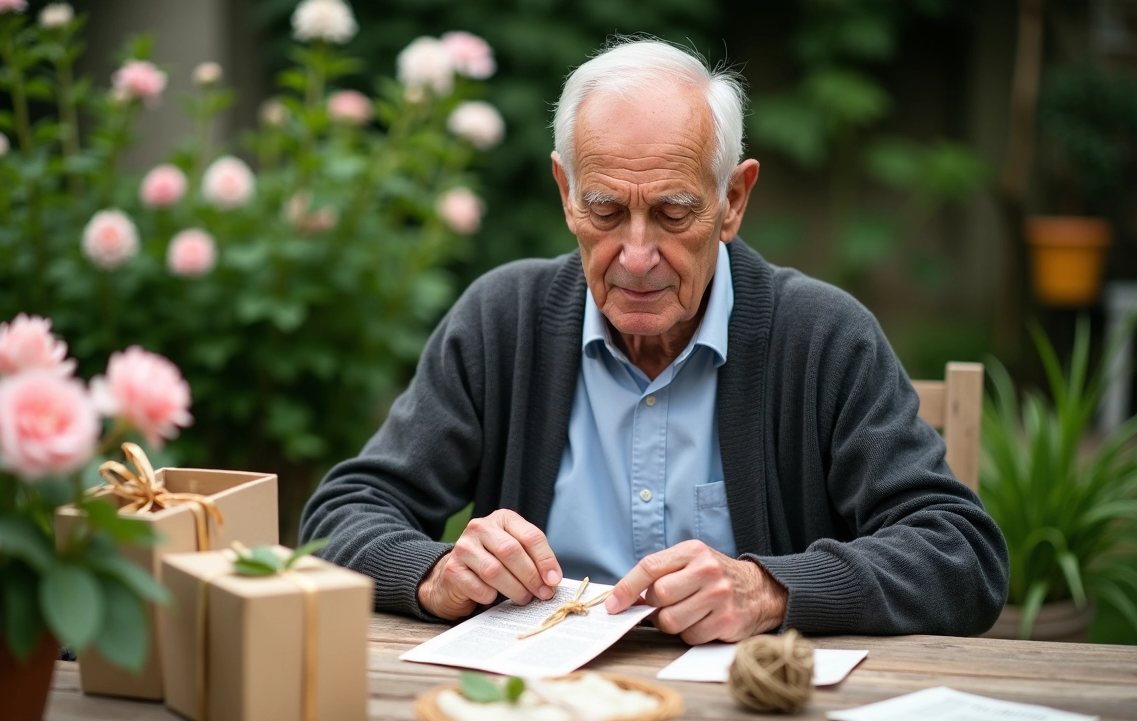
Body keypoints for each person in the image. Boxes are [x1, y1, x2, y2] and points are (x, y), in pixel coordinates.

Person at [300, 37, 1008, 643]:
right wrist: (434, 573)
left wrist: (770, 590)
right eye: (606, 210)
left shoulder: (823, 336)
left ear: (733, 200)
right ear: (566, 193)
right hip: (537, 702)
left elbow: (962, 555)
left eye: (673, 212)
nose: (637, 257)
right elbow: (339, 518)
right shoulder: (501, 320)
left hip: (754, 713)